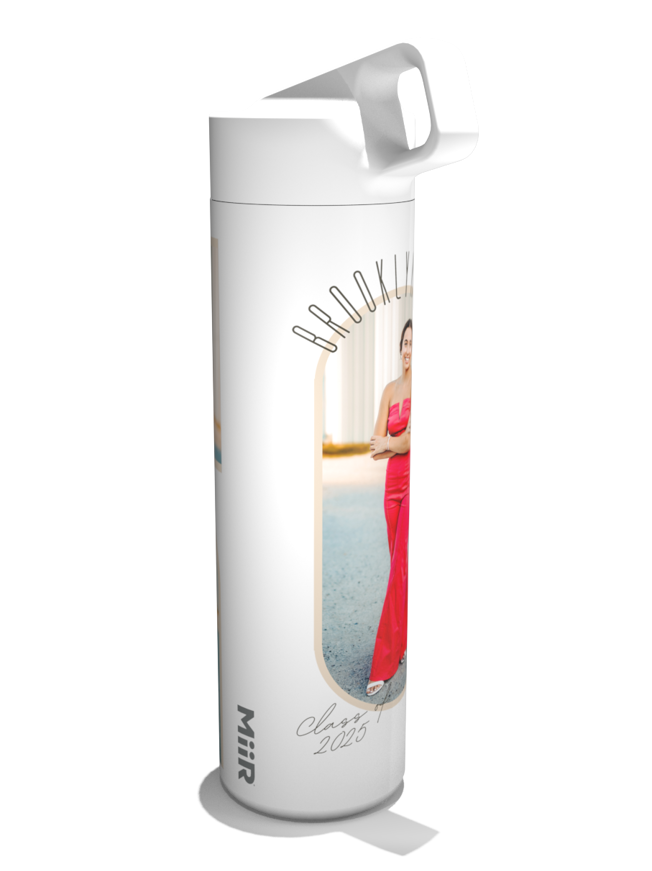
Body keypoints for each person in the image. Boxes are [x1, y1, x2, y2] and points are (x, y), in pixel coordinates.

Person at [367, 320, 412, 697]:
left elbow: (403, 444)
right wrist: (392, 442)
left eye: (413, 345)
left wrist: (392, 441)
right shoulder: (389, 389)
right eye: (405, 343)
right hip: (391, 486)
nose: (408, 350)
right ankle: (401, 644)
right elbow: (376, 446)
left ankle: (383, 662)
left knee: (398, 566)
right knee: (398, 568)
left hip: (410, 479)